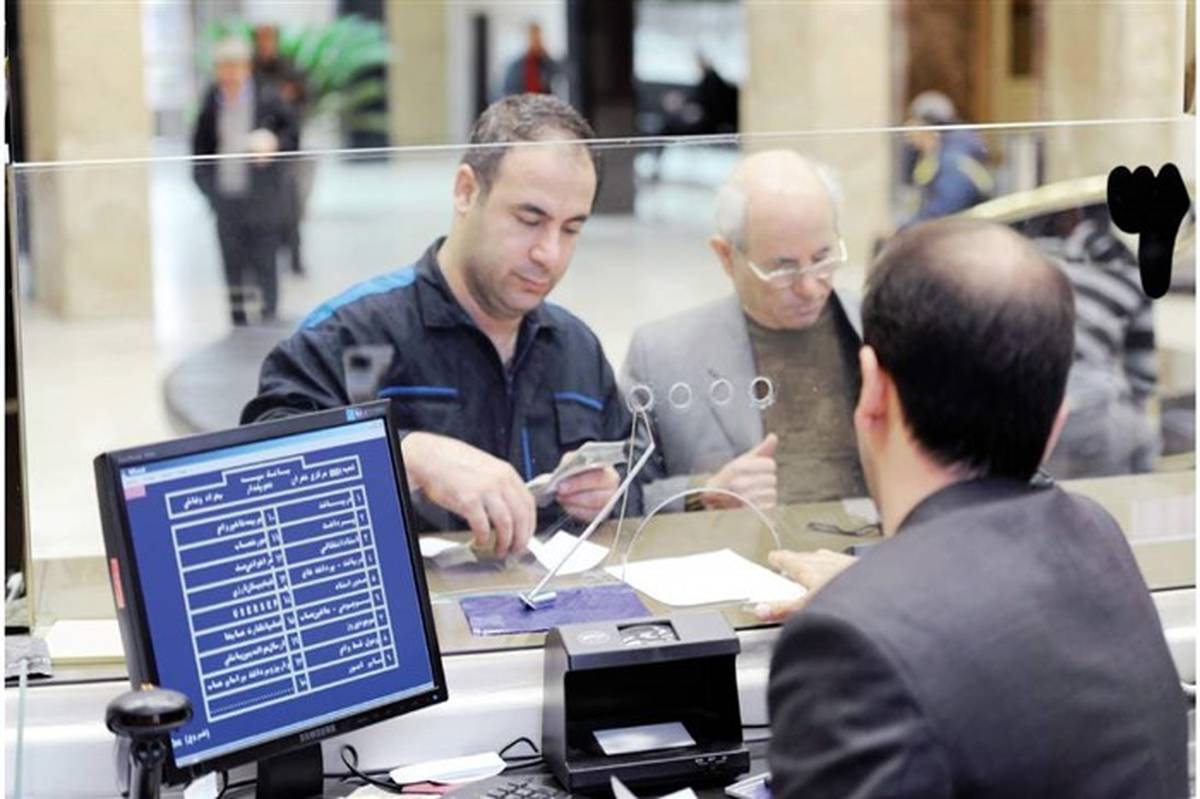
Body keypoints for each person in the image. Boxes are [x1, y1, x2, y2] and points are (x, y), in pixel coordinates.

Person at [765, 219, 1187, 797]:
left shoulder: (847, 642)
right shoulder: (1096, 535)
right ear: (1056, 417)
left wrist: (873, 601)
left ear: (872, 389)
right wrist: (882, 590)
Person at [242, 94, 634, 557]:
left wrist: (609, 495)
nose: (549, 253)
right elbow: (259, 476)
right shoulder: (352, 334)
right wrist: (408, 456)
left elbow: (637, 477)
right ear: (466, 191)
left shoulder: (576, 350)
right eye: (530, 219)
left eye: (571, 229)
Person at [621, 151, 865, 512]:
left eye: (822, 258)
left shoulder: (882, 329)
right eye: (783, 269)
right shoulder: (663, 355)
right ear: (725, 257)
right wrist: (701, 492)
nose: (811, 287)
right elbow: (622, 499)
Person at [193, 36, 299, 325]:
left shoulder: (268, 97)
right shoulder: (211, 100)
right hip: (227, 198)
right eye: (223, 67)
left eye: (235, 66)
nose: (229, 73)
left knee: (265, 262)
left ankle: (267, 318)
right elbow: (200, 150)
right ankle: (238, 321)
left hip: (263, 200)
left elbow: (293, 137)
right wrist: (209, 191)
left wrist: (274, 142)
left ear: (247, 67)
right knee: (233, 265)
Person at [253, 23, 310, 277]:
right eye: (262, 40)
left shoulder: (288, 68)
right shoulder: (252, 69)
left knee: (290, 207)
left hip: (285, 147)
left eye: (270, 40)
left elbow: (304, 96)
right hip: (258, 150)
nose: (266, 45)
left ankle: (296, 258)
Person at [899, 90, 993, 228]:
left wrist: (904, 231)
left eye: (913, 122)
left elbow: (943, 209)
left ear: (927, 126)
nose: (907, 129)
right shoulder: (932, 158)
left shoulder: (953, 161)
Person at [501, 23, 561, 98]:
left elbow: (559, 78)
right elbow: (509, 92)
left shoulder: (547, 63)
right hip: (523, 106)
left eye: (538, 39)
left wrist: (546, 57)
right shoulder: (515, 67)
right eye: (533, 39)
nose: (536, 43)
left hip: (544, 105)